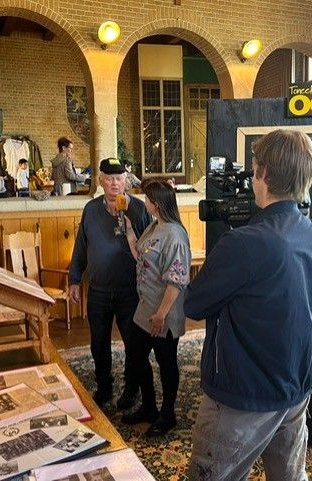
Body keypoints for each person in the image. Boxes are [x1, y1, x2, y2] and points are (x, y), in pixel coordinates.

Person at [184, 129, 312, 481]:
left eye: (254, 169)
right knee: (290, 476)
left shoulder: (243, 243)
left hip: (244, 395)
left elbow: (194, 303)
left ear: (262, 173)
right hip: (296, 386)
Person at [69, 157, 152, 408]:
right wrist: (74, 279)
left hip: (130, 290)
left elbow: (151, 246)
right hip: (98, 290)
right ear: (101, 181)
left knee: (133, 344)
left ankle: (131, 388)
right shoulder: (91, 209)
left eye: (119, 178)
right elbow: (81, 246)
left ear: (126, 181)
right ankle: (104, 386)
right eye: (109, 179)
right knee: (98, 343)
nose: (114, 183)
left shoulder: (139, 208)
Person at [122, 181, 191, 436]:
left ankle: (167, 414)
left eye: (147, 199)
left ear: (157, 204)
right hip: (145, 308)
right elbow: (142, 256)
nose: (144, 202)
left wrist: (161, 315)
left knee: (166, 362)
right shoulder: (154, 226)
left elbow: (176, 281)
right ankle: (149, 407)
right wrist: (130, 231)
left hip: (164, 312)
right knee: (136, 356)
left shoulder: (175, 235)